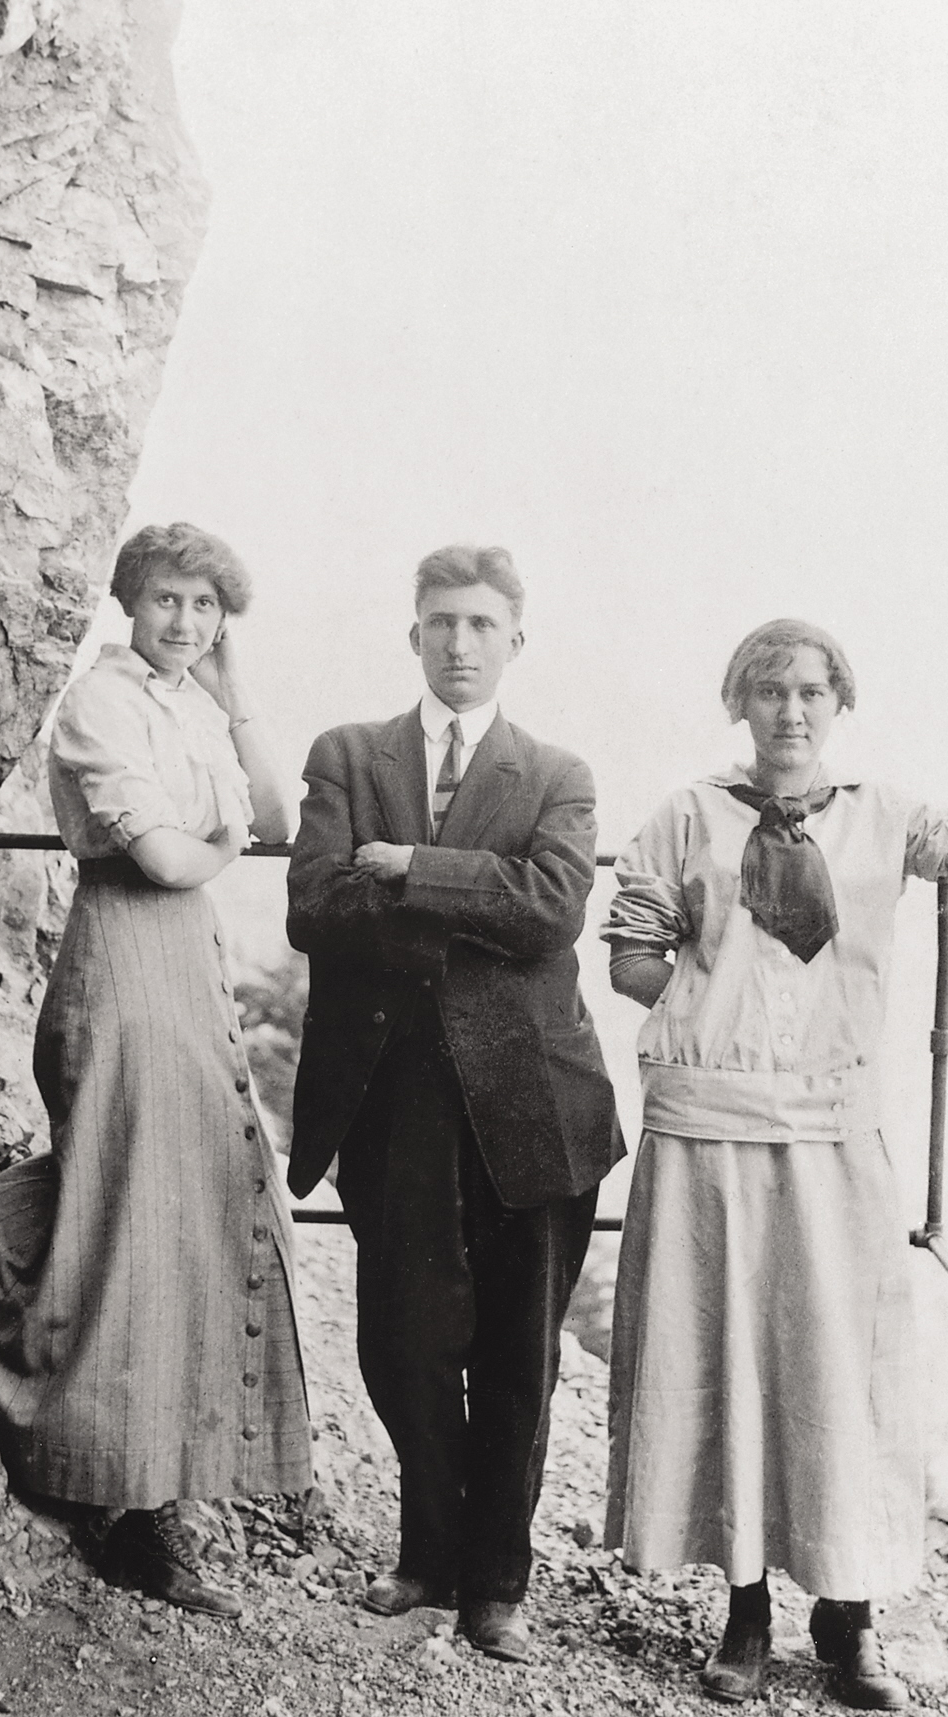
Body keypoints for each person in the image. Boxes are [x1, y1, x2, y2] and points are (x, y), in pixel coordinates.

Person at [601, 619, 948, 1710]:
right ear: (738, 703)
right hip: (709, 1125)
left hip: (832, 1130)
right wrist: (724, 1006)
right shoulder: (688, 813)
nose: (789, 711)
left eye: (810, 690)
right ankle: (745, 1607)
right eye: (767, 690)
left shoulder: (880, 816)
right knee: (729, 1356)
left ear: (839, 702)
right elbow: (630, 958)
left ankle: (846, 1617)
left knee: (838, 1366)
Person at [0, 522, 310, 1614]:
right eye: (167, 600)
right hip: (121, 948)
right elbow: (158, 858)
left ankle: (164, 1485)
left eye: (206, 607)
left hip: (186, 960)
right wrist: (219, 844)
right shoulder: (102, 701)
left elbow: (280, 815)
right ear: (128, 600)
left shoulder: (194, 699)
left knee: (193, 1196)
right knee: (137, 1208)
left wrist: (233, 691)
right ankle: (119, 1493)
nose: (185, 623)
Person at [286, 545, 625, 1664]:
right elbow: (316, 908)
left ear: (514, 640)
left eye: (482, 624)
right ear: (414, 632)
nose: (460, 643)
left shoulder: (557, 772)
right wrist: (437, 887)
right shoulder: (347, 752)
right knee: (403, 1341)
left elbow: (553, 912)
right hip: (396, 1099)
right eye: (441, 622)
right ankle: (427, 1552)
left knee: (521, 1352)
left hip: (534, 1104)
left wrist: (407, 865)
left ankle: (498, 1583)